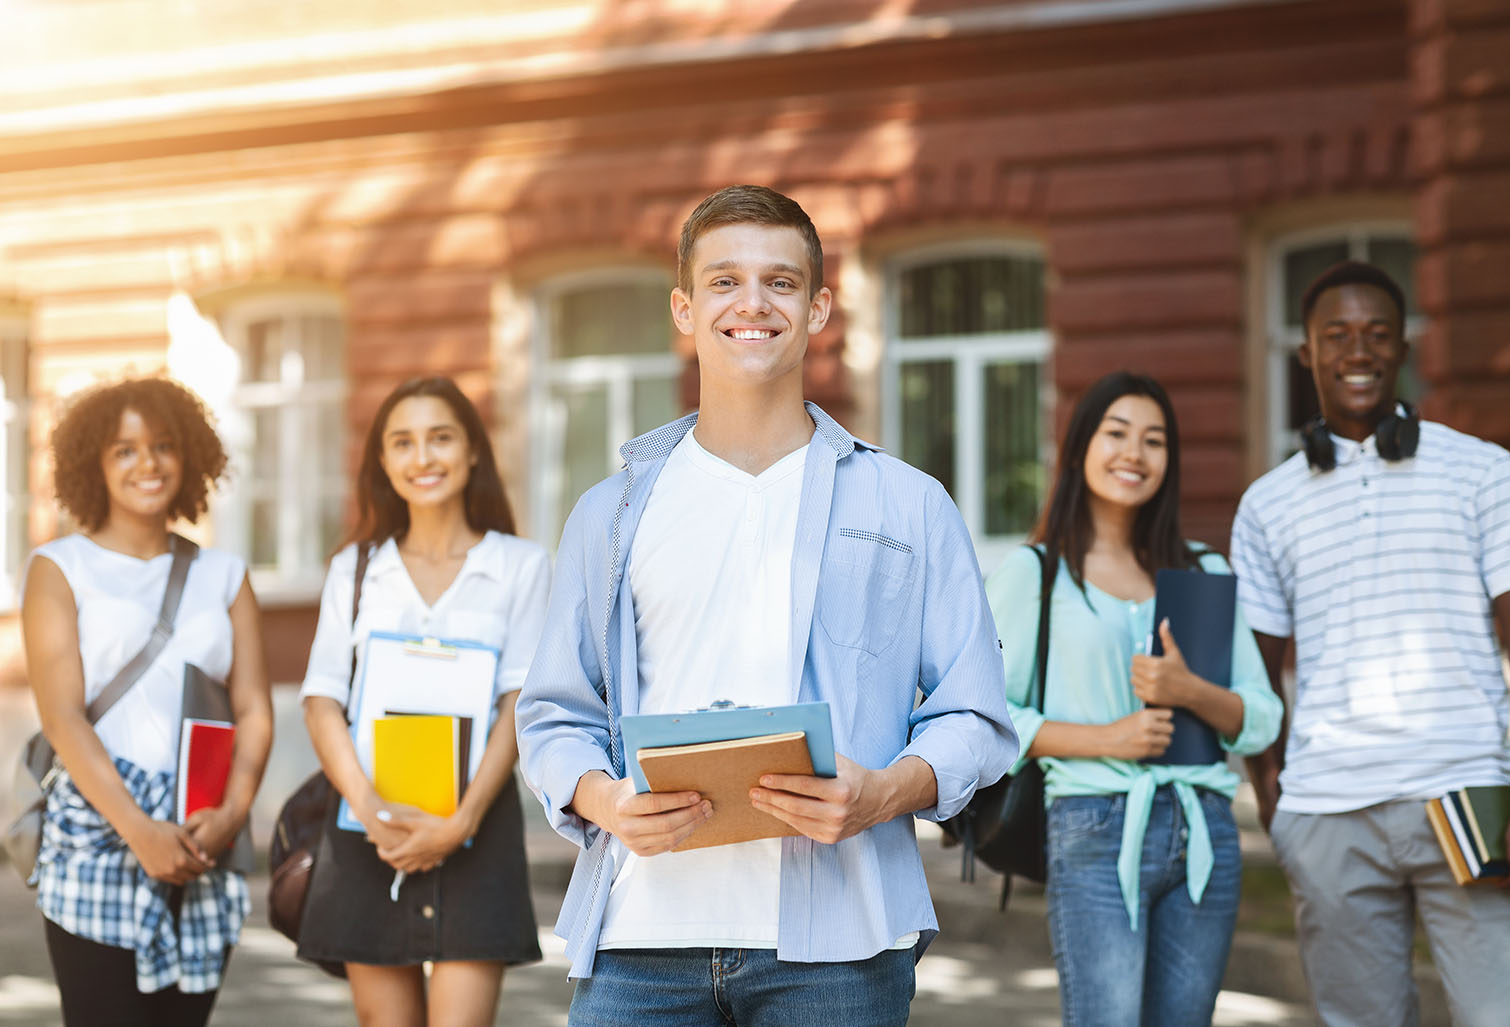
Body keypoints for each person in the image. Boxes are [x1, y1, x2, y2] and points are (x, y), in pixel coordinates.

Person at [515, 184, 1015, 1025]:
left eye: (781, 282)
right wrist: (606, 801)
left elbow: (978, 712)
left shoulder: (909, 504)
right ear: (684, 307)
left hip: (840, 952)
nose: (753, 302)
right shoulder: (611, 511)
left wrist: (886, 791)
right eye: (724, 282)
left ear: (819, 307)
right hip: (640, 940)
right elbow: (555, 711)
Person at [1232, 260, 1510, 1026]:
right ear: (1305, 352)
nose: (1356, 351)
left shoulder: (1482, 471)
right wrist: (1277, 800)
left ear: (1403, 347)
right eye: (1335, 335)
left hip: (1468, 794)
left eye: (1375, 334)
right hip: (1329, 810)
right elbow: (1256, 672)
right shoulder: (1267, 503)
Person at [988, 370, 1281, 1026]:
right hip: (1091, 824)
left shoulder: (1203, 571)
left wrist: (1193, 692)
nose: (1134, 453)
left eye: (1154, 440)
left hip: (1204, 826)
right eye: (1116, 433)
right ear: (1080, 446)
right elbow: (986, 718)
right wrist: (1107, 739)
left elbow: (1262, 718)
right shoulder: (1035, 574)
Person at [296, 375, 547, 1027]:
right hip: (365, 829)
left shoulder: (521, 565)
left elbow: (518, 701)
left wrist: (462, 820)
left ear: (471, 451)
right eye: (402, 442)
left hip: (477, 823)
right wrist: (369, 806)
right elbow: (322, 698)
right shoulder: (353, 568)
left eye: (440, 437)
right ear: (382, 461)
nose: (422, 457)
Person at [21, 376, 272, 1026]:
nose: (147, 463)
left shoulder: (224, 574)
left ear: (189, 457)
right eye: (124, 450)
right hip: (98, 832)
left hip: (199, 833)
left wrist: (233, 812)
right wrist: (140, 832)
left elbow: (254, 710)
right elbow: (62, 716)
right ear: (94, 465)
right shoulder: (59, 566)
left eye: (162, 445)